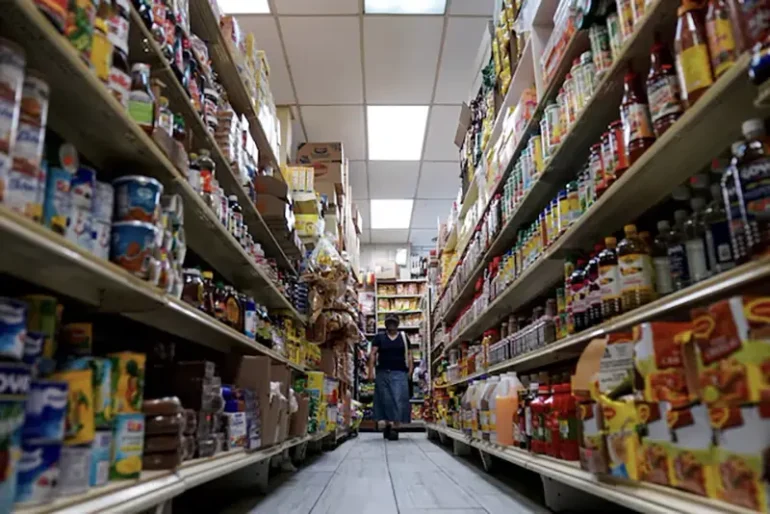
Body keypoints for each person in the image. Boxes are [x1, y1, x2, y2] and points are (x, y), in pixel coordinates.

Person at [369, 314, 412, 440]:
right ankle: (388, 424)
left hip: (399, 372)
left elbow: (409, 354)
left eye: (394, 322)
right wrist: (370, 371)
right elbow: (372, 354)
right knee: (385, 399)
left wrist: (410, 368)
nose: (391, 325)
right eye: (389, 322)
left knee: (398, 399)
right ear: (385, 324)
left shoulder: (404, 337)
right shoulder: (379, 337)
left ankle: (395, 427)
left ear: (398, 324)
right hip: (382, 372)